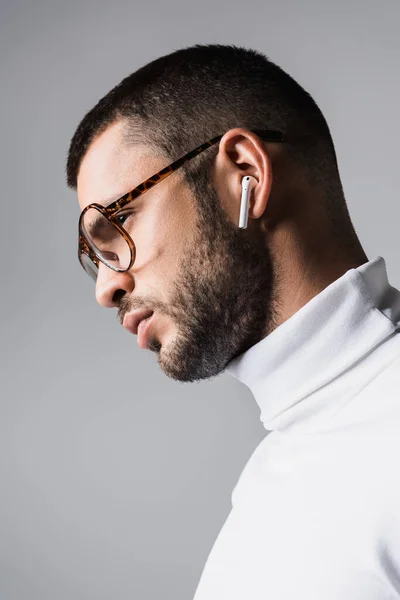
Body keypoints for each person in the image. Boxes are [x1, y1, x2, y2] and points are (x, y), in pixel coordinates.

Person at [66, 44, 400, 599]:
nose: (108, 288)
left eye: (119, 223)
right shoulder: (271, 477)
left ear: (245, 173)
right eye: (95, 259)